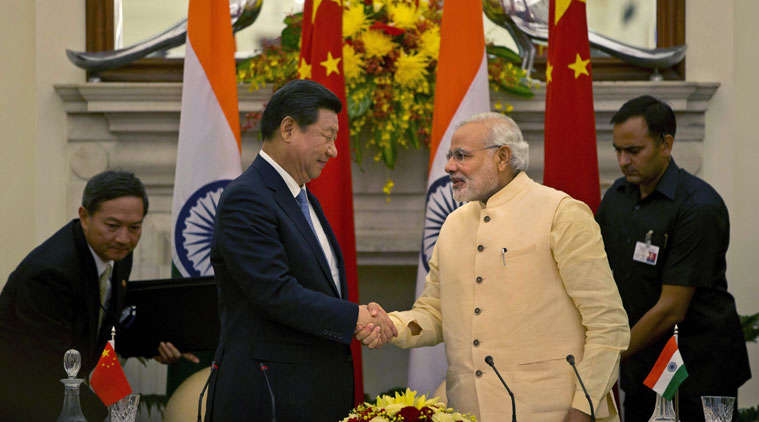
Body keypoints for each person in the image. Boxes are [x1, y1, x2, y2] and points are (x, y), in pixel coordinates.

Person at [378, 112, 630, 421]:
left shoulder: (561, 213)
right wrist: (391, 325)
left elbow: (609, 325)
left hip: (556, 413)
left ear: (502, 157)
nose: (449, 167)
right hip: (469, 412)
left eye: (461, 156)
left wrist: (583, 407)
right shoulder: (453, 224)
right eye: (449, 156)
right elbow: (435, 312)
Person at [204, 79, 396, 422]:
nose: (334, 150)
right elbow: (275, 292)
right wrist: (356, 318)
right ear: (289, 129)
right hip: (269, 399)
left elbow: (320, 288)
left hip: (308, 395)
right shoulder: (247, 197)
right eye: (327, 135)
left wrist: (357, 315)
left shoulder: (305, 200)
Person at [596, 96, 751, 422]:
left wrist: (608, 357)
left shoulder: (699, 206)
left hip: (699, 368)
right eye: (618, 150)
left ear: (666, 144)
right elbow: (597, 274)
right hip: (642, 364)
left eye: (634, 151)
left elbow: (672, 308)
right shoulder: (616, 198)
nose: (623, 161)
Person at [0, 170, 197, 421]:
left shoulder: (115, 252)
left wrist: (152, 347)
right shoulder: (51, 274)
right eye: (112, 226)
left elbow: (103, 322)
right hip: (21, 399)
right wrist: (104, 415)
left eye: (134, 227)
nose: (124, 238)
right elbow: (49, 370)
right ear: (84, 216)